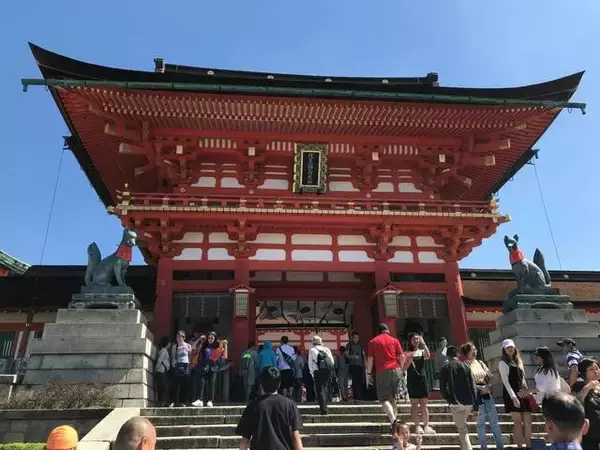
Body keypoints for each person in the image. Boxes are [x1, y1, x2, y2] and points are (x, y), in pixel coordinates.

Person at [235, 367, 304, 450]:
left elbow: (245, 440)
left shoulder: (253, 406)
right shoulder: (289, 405)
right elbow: (295, 436)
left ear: (261, 384)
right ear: (279, 383)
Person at [461, 342, 503, 450]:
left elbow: (491, 377)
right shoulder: (464, 365)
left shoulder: (480, 363)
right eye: (472, 350)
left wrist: (488, 387)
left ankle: (500, 447)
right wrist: (479, 388)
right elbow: (465, 383)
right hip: (475, 396)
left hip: (487, 394)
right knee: (480, 425)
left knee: (494, 422)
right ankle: (484, 447)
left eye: (475, 349)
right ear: (467, 352)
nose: (475, 351)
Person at [367, 323, 406, 427]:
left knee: (384, 399)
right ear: (387, 331)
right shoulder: (394, 340)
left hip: (382, 371)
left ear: (378, 331)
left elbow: (370, 359)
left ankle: (393, 420)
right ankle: (394, 423)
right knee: (393, 398)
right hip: (396, 369)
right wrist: (401, 369)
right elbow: (402, 356)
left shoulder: (373, 341)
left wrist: (369, 373)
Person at [439, 345, 478, 450]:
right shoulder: (466, 366)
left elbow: (442, 388)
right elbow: (473, 386)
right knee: (463, 427)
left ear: (447, 356)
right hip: (468, 402)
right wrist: (474, 403)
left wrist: (449, 399)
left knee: (462, 430)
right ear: (458, 354)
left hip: (455, 402)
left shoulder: (445, 368)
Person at [499, 339, 533, 449]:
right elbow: (505, 382)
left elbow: (523, 378)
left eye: (511, 347)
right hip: (511, 393)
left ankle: (529, 446)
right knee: (518, 422)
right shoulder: (502, 363)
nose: (510, 349)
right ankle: (519, 446)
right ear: (504, 350)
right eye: (507, 348)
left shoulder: (518, 360)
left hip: (523, 392)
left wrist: (528, 392)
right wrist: (513, 397)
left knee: (527, 421)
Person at [403, 332, 435, 434]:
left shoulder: (421, 351)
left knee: (424, 404)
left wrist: (423, 342)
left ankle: (426, 426)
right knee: (414, 405)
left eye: (417, 339)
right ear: (410, 341)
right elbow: (403, 368)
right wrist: (409, 361)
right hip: (412, 380)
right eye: (414, 339)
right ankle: (417, 426)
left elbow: (428, 355)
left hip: (422, 379)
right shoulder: (406, 353)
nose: (416, 341)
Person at [191, 331, 228, 407]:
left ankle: (210, 400)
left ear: (215, 339)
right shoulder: (204, 345)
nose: (210, 340)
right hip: (204, 366)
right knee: (201, 382)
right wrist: (199, 339)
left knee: (212, 383)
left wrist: (225, 345)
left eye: (212, 338)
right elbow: (193, 347)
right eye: (209, 338)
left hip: (213, 367)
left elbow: (224, 356)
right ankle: (200, 400)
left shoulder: (218, 346)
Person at [571, 358, 600, 450]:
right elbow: (574, 403)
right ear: (584, 373)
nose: (596, 371)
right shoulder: (579, 386)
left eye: (597, 368)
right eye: (591, 369)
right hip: (588, 435)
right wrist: (587, 387)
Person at [308, 335, 335, 415]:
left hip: (317, 371)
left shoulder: (312, 350)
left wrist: (312, 373)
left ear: (313, 342)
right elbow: (332, 362)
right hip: (327, 371)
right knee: (325, 389)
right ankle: (326, 405)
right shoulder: (326, 349)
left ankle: (323, 409)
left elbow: (310, 363)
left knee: (320, 390)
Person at [169, 330, 191, 406]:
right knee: (175, 384)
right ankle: (173, 401)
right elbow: (172, 356)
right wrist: (173, 364)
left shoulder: (188, 345)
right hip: (177, 365)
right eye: (177, 336)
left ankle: (182, 401)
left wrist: (189, 366)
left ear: (184, 337)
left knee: (184, 384)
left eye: (180, 336)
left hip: (185, 365)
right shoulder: (174, 346)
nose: (178, 338)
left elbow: (190, 356)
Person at [346, 331, 367, 401]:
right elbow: (346, 354)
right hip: (353, 365)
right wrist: (353, 356)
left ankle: (359, 396)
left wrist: (365, 363)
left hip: (360, 365)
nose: (356, 339)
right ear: (352, 338)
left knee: (360, 381)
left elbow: (363, 354)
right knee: (354, 381)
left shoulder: (360, 345)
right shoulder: (349, 345)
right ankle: (355, 396)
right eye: (354, 338)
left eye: (357, 338)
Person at [154, 336, 171, 407]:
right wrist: (156, 369)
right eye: (169, 342)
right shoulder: (164, 350)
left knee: (161, 387)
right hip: (161, 370)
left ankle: (161, 402)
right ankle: (162, 402)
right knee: (164, 387)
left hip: (161, 371)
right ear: (167, 343)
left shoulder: (163, 350)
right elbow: (159, 360)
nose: (170, 344)